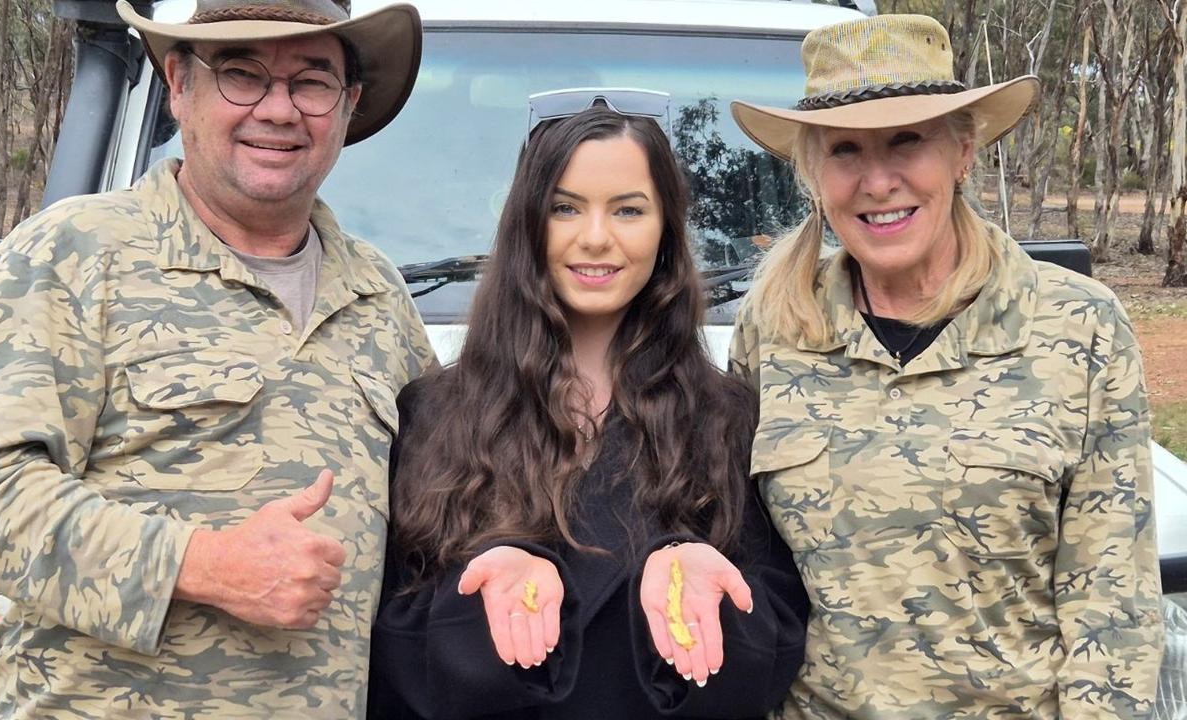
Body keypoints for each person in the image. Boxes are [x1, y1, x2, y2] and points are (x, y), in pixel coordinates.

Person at [0, 0, 433, 716]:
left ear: (347, 105)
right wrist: (205, 566)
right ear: (178, 84)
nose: (279, 110)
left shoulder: (380, 297)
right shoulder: (71, 255)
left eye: (311, 82)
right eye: (243, 75)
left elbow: (444, 503)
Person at [728, 13, 1164, 719]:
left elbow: (1111, 605)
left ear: (964, 151)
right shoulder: (773, 329)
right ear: (813, 171)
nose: (877, 180)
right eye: (844, 150)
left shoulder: (1076, 325)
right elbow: (738, 551)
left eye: (908, 141)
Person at [367, 92, 809, 719]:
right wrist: (482, 594)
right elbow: (388, 633)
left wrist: (699, 580)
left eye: (628, 210)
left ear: (666, 231)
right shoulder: (435, 413)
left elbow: (777, 629)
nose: (596, 238)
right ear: (527, 225)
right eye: (565, 208)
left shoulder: (730, 418)